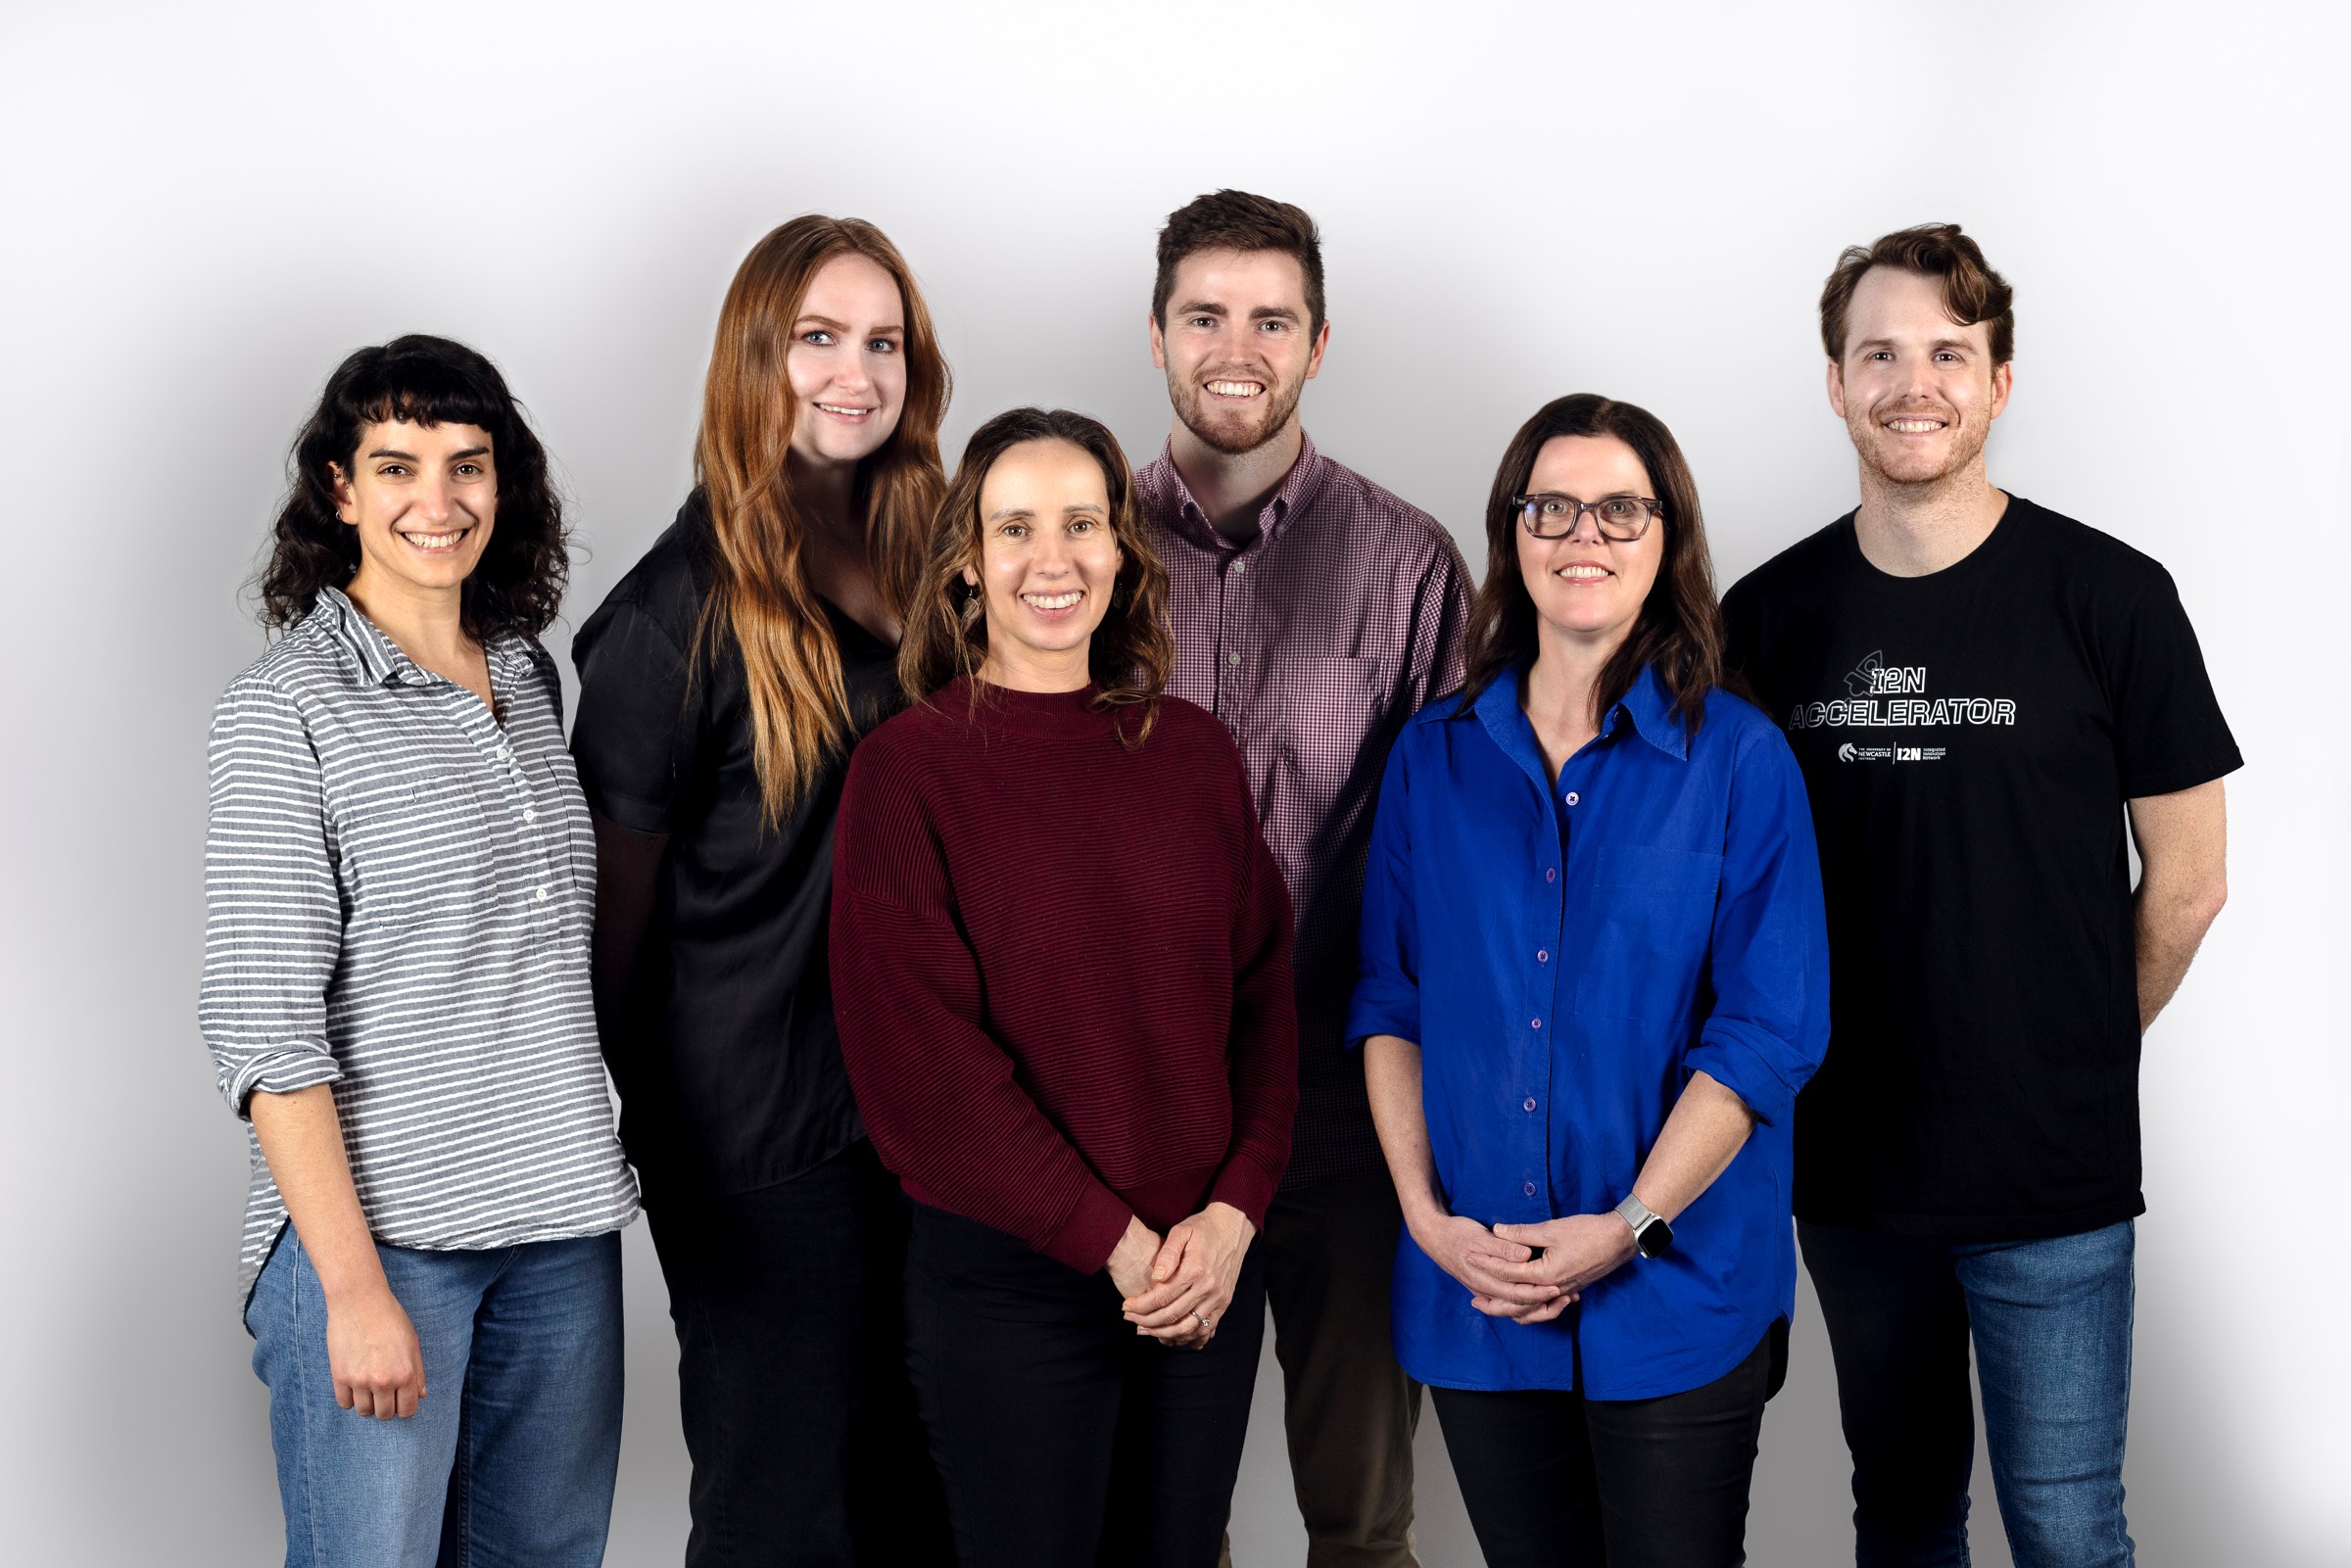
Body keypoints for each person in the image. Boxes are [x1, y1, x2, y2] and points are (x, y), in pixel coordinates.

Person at [1722, 223, 2238, 1568]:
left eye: (1949, 351)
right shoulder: (1765, 618)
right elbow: (1718, 891)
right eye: (1879, 351)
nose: (1914, 381)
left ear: (2000, 382)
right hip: (1851, 1168)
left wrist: (2075, 1044)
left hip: (2051, 1175)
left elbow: (2189, 882)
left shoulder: (2110, 597)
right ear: (1833, 382)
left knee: (2067, 1523)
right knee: (1901, 1514)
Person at [1350, 394, 1830, 1568]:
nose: (1585, 535)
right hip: (1478, 1287)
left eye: (1621, 509)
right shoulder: (1433, 753)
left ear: (1668, 538)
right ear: (1512, 530)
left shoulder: (1741, 758)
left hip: (1679, 1295)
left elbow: (1766, 1034)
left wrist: (1626, 1226)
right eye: (1552, 506)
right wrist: (1426, 1222)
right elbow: (1390, 1001)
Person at [830, 407, 1299, 1568]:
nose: (1055, 558)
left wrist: (1232, 1215)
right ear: (968, 565)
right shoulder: (906, 771)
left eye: (1083, 522)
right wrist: (1117, 1244)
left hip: (1200, 1278)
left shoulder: (1193, 753)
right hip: (1013, 1287)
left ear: (1123, 550)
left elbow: (1265, 1002)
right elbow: (925, 1076)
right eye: (1017, 527)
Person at [200, 334, 641, 1567]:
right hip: (387, 1240)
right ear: (339, 489)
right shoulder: (283, 711)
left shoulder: (524, 674)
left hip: (559, 1228)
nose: (436, 502)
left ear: (506, 486)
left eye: (468, 465)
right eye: (397, 467)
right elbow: (265, 1025)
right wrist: (350, 1287)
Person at [569, 215, 952, 1566]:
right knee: (783, 1503)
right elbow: (607, 941)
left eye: (883, 342)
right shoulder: (669, 615)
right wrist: (678, 1141)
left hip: (920, 1119)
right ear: (754, 357)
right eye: (818, 339)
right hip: (757, 1142)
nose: (856, 371)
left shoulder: (933, 570)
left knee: (921, 1491)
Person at [1135, 188, 1470, 1568]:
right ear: (1155, 334)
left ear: (1320, 342)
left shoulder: (1409, 565)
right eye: (1205, 314)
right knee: (1159, 1521)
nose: (1237, 346)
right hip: (1145, 1121)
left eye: (1271, 319)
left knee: (1364, 1520)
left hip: (1344, 1117)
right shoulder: (1065, 555)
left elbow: (1453, 863)